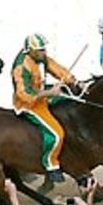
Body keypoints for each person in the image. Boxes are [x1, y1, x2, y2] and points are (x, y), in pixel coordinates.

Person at [13, 33, 79, 183]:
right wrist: (49, 93)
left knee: (72, 98)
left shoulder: (40, 58)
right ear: (30, 51)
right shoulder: (21, 67)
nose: (44, 53)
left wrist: (73, 81)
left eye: (44, 50)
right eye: (40, 51)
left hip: (43, 94)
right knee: (57, 134)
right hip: (29, 104)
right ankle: (51, 166)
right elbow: (23, 94)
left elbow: (58, 69)